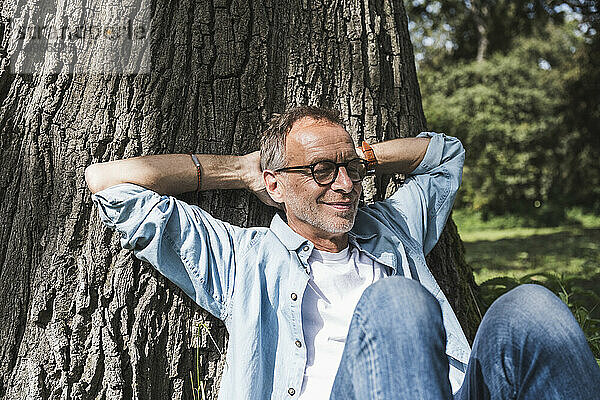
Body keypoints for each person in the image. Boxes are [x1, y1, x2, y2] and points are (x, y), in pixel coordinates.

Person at [85, 106, 600, 400]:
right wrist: (243, 171)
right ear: (276, 184)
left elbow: (446, 156)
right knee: (396, 302)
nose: (346, 185)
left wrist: (362, 156)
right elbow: (108, 181)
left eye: (352, 169)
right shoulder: (244, 258)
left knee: (532, 308)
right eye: (319, 170)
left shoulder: (392, 227)